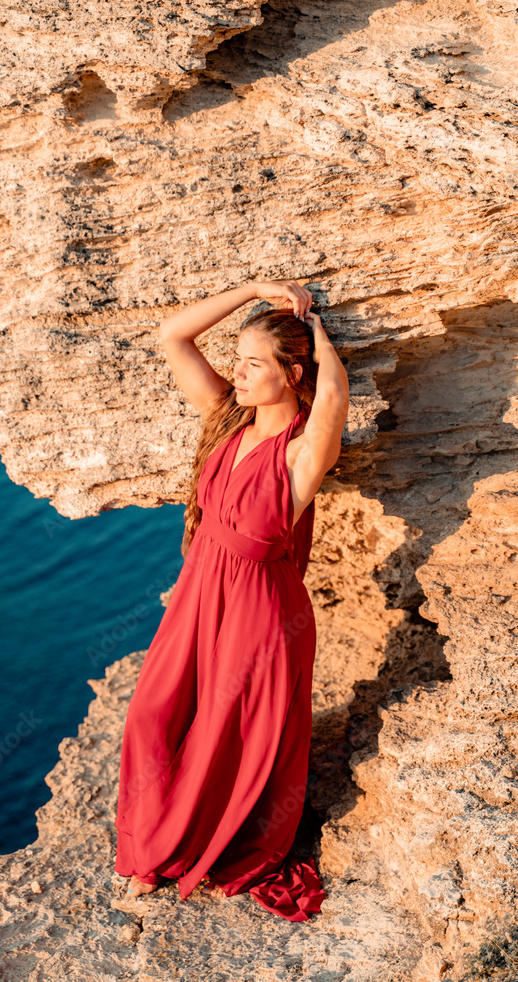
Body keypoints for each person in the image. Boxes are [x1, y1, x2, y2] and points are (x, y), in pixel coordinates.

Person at [114, 279, 349, 921]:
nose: (237, 373)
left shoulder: (302, 451)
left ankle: (170, 856)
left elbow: (332, 397)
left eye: (253, 364)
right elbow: (173, 335)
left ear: (291, 373)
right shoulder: (225, 419)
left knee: (221, 739)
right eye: (237, 359)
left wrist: (321, 336)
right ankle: (155, 844)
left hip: (260, 612)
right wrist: (252, 288)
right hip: (198, 593)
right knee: (152, 716)